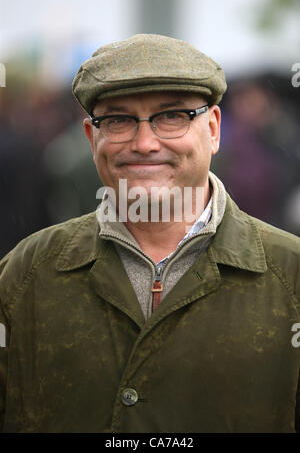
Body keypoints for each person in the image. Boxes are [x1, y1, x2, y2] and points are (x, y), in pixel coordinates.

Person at [0, 34, 299, 433]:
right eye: (119, 120)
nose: (144, 143)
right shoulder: (26, 274)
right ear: (92, 138)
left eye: (172, 116)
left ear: (213, 129)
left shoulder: (290, 275)